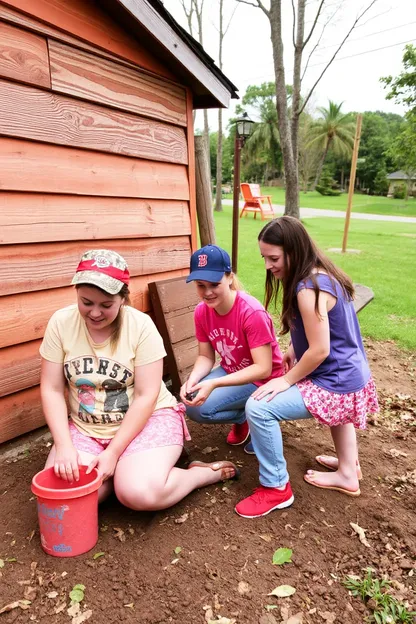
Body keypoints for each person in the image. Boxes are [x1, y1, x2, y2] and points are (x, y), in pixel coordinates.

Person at [39, 249, 239, 510]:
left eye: (106, 305)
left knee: (138, 494)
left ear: (123, 298)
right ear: (76, 292)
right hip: (88, 428)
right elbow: (52, 388)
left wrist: (112, 452)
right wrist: (64, 446)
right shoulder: (61, 323)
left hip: (148, 420)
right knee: (67, 499)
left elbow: (147, 396)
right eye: (86, 302)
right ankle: (121, 474)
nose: (95, 313)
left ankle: (198, 474)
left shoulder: (141, 326)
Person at [235, 217, 379, 519]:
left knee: (259, 408)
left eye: (273, 258)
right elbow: (324, 331)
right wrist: (292, 349)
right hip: (353, 375)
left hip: (337, 382)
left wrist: (286, 381)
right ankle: (348, 470)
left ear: (294, 250)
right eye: (264, 257)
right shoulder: (321, 275)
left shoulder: (307, 288)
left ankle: (276, 489)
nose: (267, 266)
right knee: (338, 417)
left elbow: (321, 349)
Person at [180, 244, 284, 447]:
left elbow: (264, 368)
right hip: (232, 371)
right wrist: (192, 380)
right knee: (193, 406)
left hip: (264, 380)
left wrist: (215, 383)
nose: (207, 292)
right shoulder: (202, 312)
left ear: (229, 277)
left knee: (205, 403)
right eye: (201, 285)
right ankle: (242, 418)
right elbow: (206, 357)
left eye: (214, 284)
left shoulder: (251, 312)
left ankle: (260, 415)